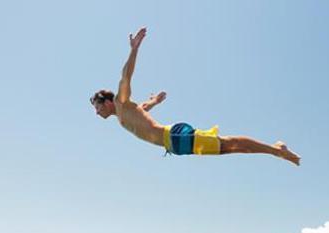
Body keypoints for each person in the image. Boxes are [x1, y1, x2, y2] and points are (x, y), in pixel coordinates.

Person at [90, 27, 300, 165]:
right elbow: (143, 109)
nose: (96, 112)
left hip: (173, 137)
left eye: (98, 107)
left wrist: (134, 50)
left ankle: (276, 149)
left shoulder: (121, 101)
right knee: (229, 149)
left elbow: (126, 76)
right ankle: (274, 150)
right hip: (174, 145)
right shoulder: (123, 114)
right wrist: (154, 101)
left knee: (228, 143)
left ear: (107, 102)